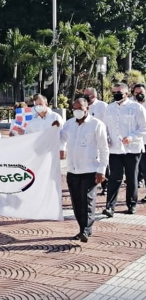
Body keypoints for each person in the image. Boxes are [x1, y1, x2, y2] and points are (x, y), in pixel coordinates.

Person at [60, 98, 109, 242]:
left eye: (80, 108)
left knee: (87, 200)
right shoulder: (68, 124)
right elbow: (60, 139)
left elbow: (104, 149)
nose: (77, 111)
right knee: (77, 202)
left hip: (90, 170)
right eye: (74, 108)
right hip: (73, 170)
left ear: (87, 108)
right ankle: (83, 229)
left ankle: (86, 230)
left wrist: (102, 170)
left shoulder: (96, 124)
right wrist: (53, 129)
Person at [102, 83, 146, 217]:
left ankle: (131, 205)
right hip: (114, 149)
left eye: (119, 92)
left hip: (132, 149)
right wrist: (107, 138)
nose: (116, 94)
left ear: (126, 93)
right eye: (114, 91)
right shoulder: (109, 108)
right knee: (114, 177)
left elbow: (144, 128)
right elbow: (105, 127)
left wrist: (131, 138)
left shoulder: (136, 108)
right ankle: (110, 207)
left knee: (132, 177)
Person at [131, 84, 146, 200]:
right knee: (136, 170)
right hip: (135, 143)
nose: (139, 94)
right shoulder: (130, 105)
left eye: (141, 92)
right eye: (136, 93)